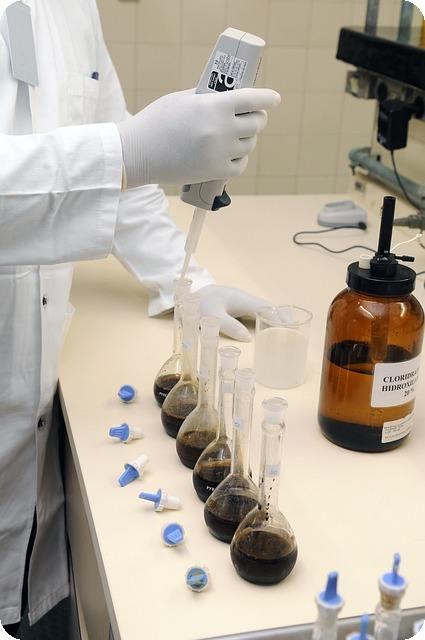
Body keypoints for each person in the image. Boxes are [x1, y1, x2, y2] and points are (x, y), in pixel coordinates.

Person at [0, 1, 280, 636]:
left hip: (32, 418)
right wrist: (123, 151)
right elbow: (117, 157)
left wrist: (187, 281)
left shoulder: (72, 8)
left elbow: (119, 176)